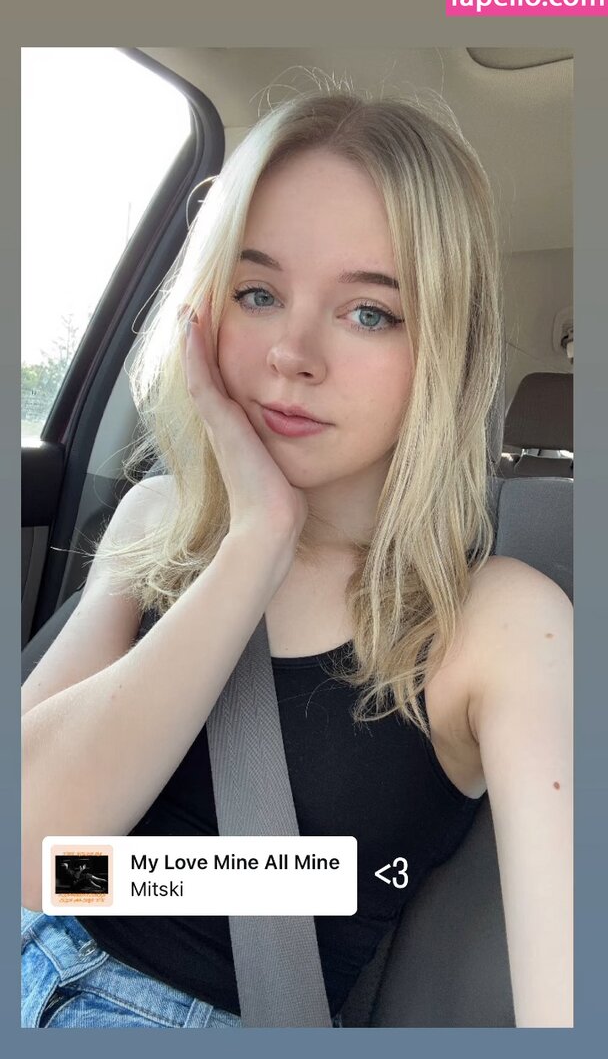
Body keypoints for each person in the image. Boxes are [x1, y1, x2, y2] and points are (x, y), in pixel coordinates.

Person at [21, 84, 572, 1030]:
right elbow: (27, 843)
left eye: (370, 313)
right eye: (259, 294)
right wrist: (254, 545)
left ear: (445, 348)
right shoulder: (158, 518)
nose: (292, 354)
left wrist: (130, 874)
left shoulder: (502, 624)